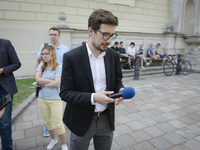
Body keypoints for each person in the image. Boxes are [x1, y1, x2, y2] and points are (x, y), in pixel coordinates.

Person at [60, 9, 125, 150]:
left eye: (112, 35)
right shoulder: (71, 57)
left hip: (107, 119)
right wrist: (93, 98)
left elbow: (117, 79)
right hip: (80, 121)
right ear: (91, 31)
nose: (109, 41)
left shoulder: (113, 56)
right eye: (105, 35)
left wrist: (120, 89)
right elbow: (65, 93)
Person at [33, 27, 69, 137]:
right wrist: (36, 75)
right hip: (47, 77)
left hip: (60, 78)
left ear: (59, 36)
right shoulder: (44, 47)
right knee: (46, 104)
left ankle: (60, 122)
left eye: (55, 34)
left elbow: (68, 64)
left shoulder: (64, 48)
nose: (52, 36)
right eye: (51, 34)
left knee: (59, 102)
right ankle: (48, 127)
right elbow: (38, 60)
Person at [35, 45, 68, 150]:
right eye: (42, 54)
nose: (44, 56)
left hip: (55, 99)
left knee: (58, 124)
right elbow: (37, 79)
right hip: (42, 98)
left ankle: (64, 144)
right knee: (48, 122)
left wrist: (42, 82)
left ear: (52, 54)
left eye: (46, 53)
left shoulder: (59, 67)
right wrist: (50, 81)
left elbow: (57, 83)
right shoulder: (41, 66)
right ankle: (53, 140)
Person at [0, 38, 21, 150]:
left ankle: (7, 147)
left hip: (5, 89)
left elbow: (16, 63)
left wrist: (2, 70)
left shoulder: (5, 44)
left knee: (4, 122)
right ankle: (8, 139)